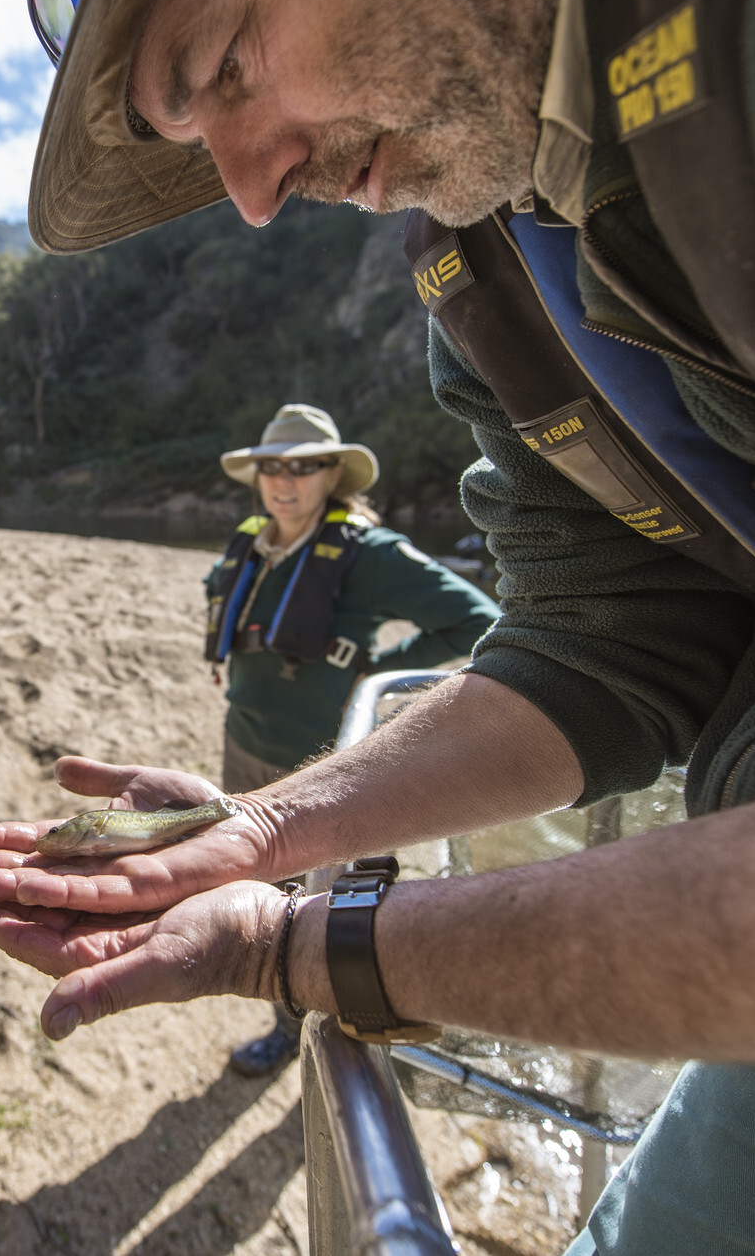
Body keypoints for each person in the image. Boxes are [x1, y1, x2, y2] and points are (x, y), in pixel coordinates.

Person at [0, 0, 755, 1252]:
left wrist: (292, 948)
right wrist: (259, 828)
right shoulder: (494, 254)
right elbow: (609, 635)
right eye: (195, 138)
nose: (250, 190)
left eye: (227, 62)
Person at [205, 403, 496, 1073]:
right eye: (273, 466)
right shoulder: (251, 542)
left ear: (332, 474)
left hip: (327, 767)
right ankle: (289, 1022)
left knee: (326, 909)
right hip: (245, 746)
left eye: (304, 466)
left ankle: (331, 1039)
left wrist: (373, 680)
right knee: (267, 893)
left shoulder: (369, 555)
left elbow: (474, 617)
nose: (286, 481)